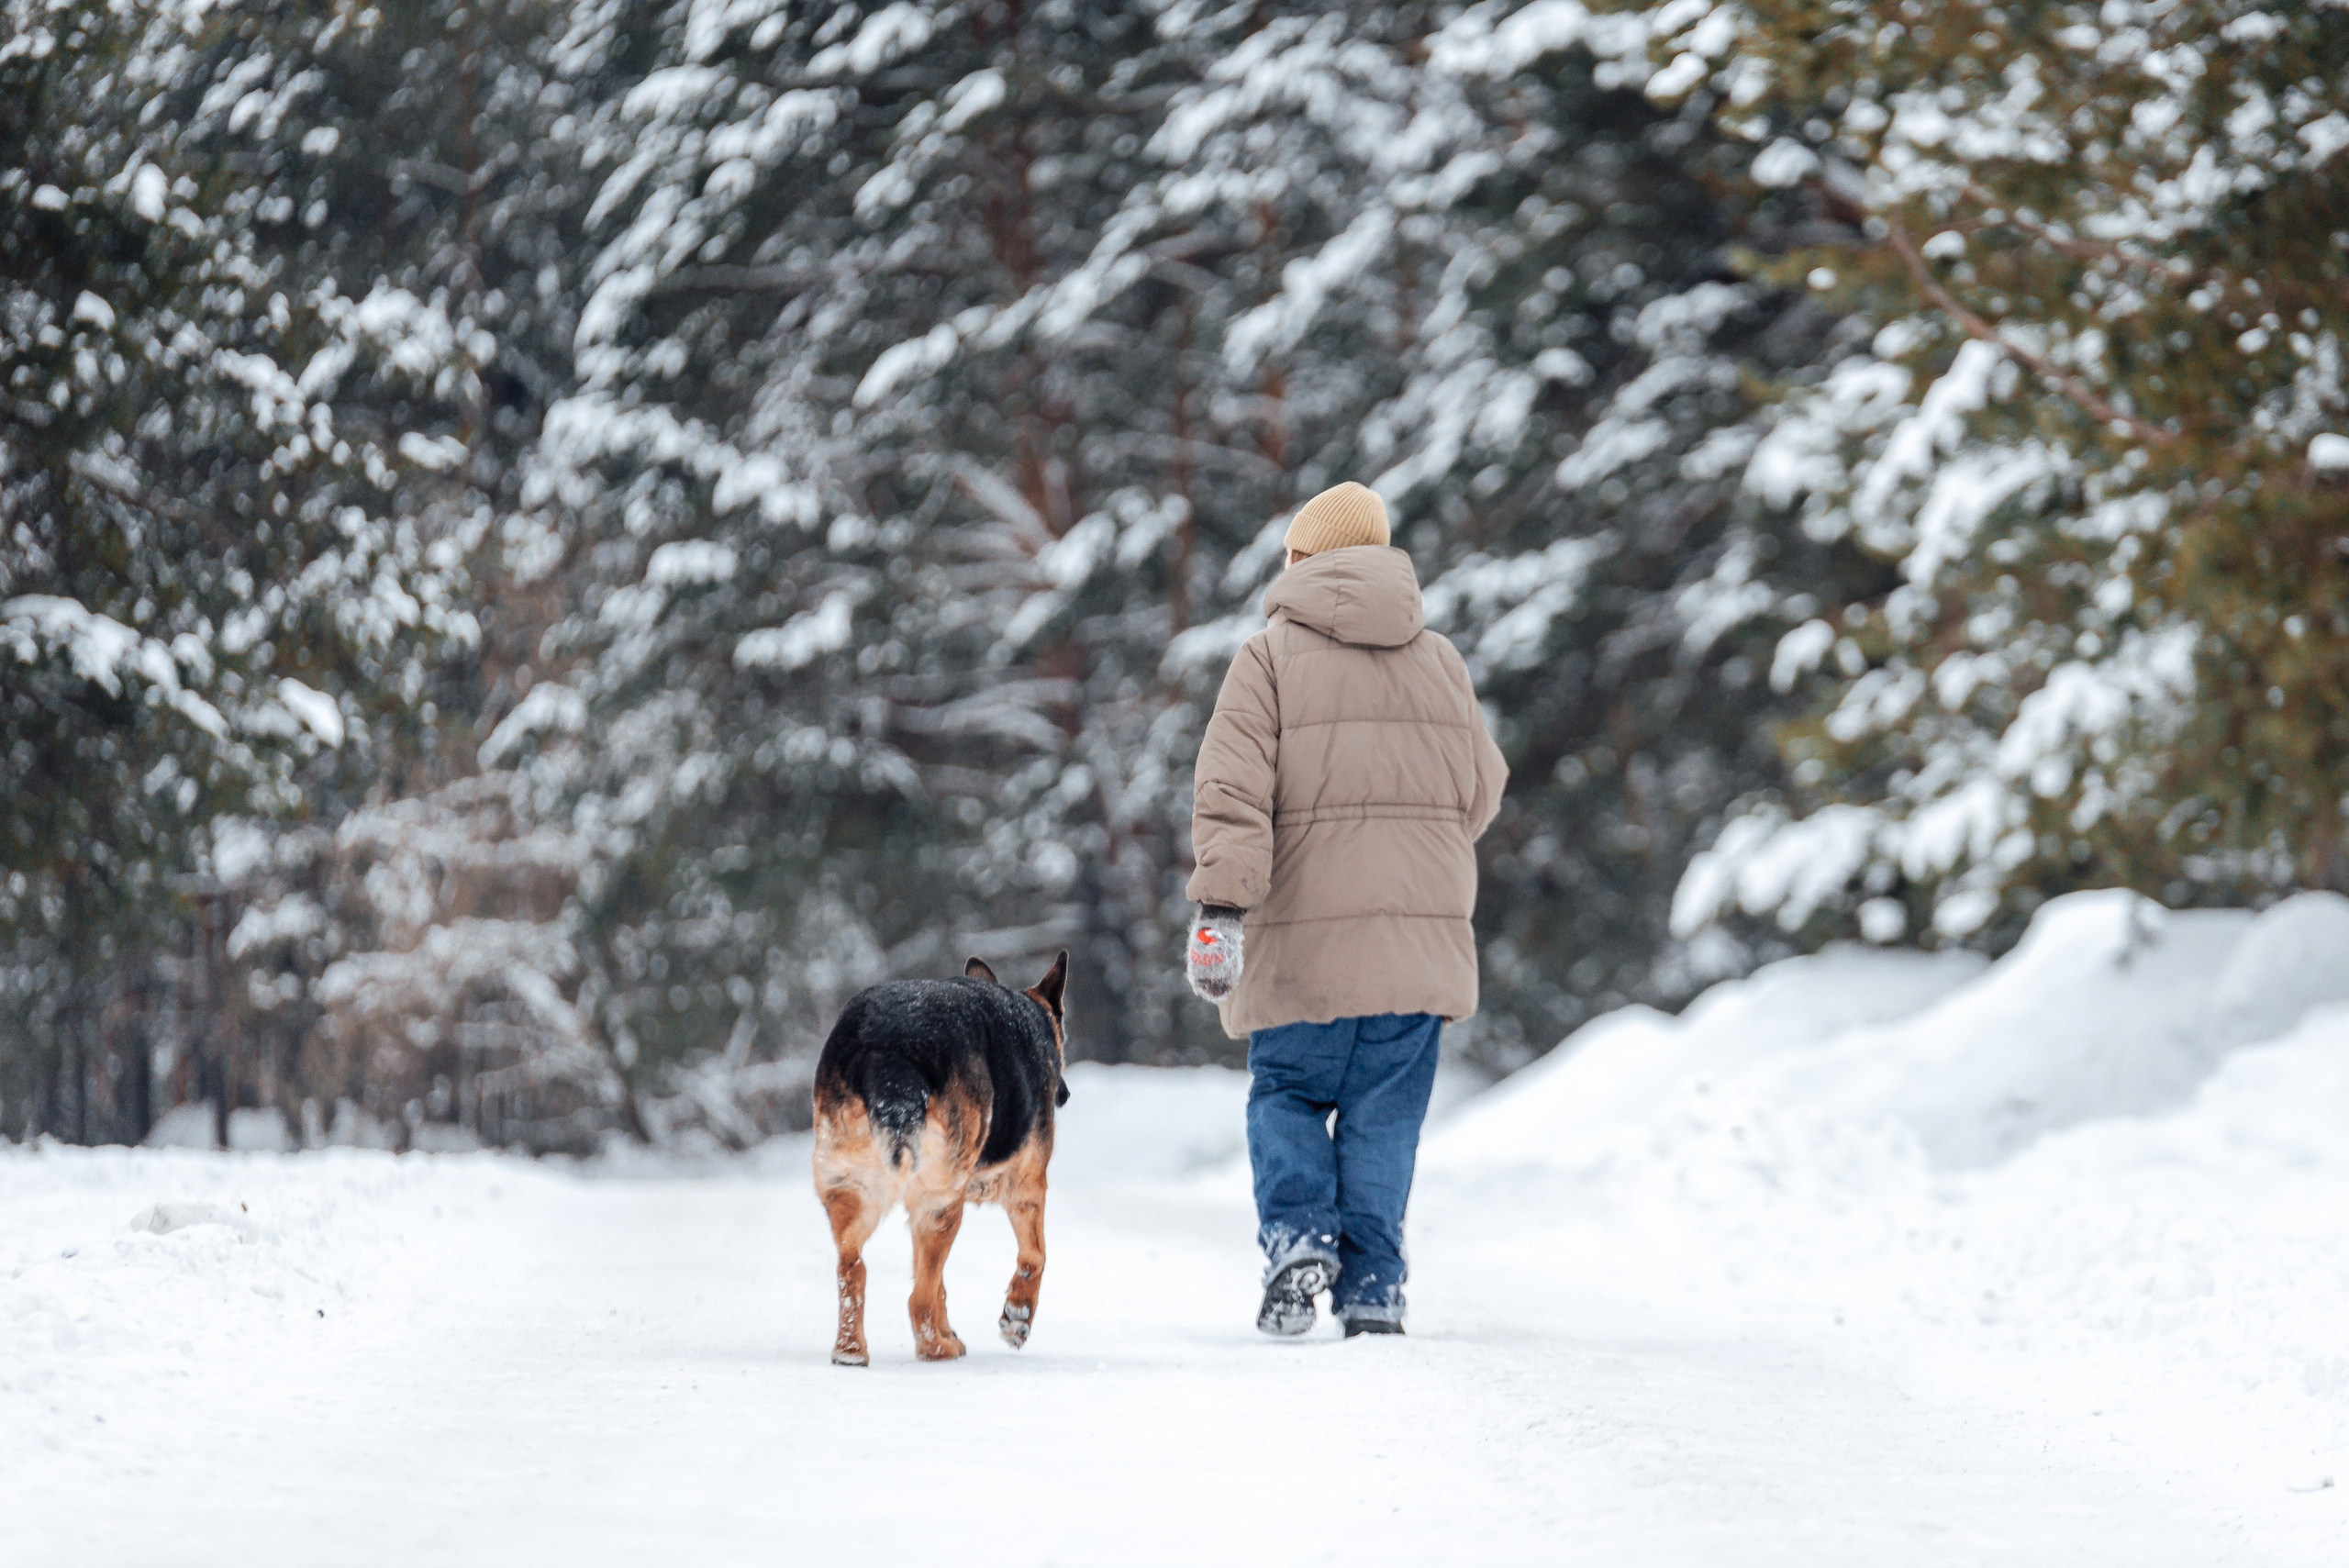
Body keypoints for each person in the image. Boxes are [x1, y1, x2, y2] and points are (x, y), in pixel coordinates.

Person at [1184, 481, 1508, 1338]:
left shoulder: (1267, 658)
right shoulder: (1440, 659)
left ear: (1300, 562)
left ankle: (1297, 1240)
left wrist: (1221, 907)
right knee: (1382, 1122)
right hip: (1417, 953)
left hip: (1305, 951)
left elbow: (1231, 795)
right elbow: (1482, 792)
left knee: (1286, 1093)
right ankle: (1373, 1285)